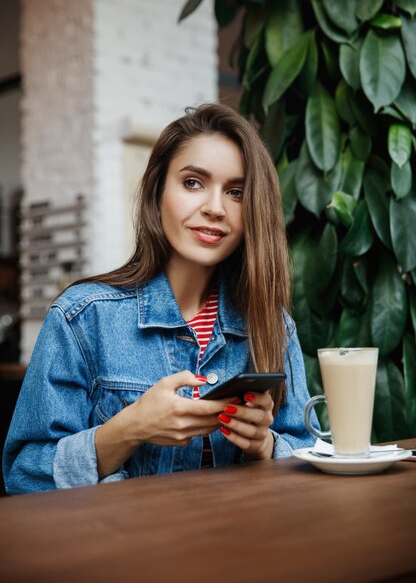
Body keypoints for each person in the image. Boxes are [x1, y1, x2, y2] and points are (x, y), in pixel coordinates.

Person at [3, 103, 317, 494]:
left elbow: (310, 456)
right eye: (192, 183)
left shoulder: (271, 324)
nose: (215, 208)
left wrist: (264, 446)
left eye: (236, 192)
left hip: (239, 548)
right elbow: (24, 475)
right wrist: (129, 429)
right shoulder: (82, 318)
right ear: (157, 193)